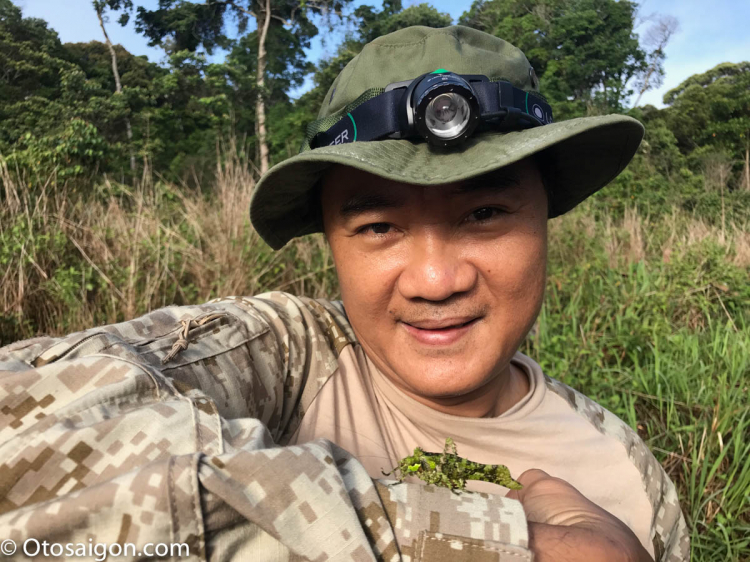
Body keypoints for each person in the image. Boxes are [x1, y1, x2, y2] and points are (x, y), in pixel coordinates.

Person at [0, 26, 688, 562]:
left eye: (483, 215)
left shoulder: (630, 482)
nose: (434, 280)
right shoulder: (290, 357)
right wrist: (510, 546)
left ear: (546, 218)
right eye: (379, 225)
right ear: (331, 240)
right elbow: (22, 437)